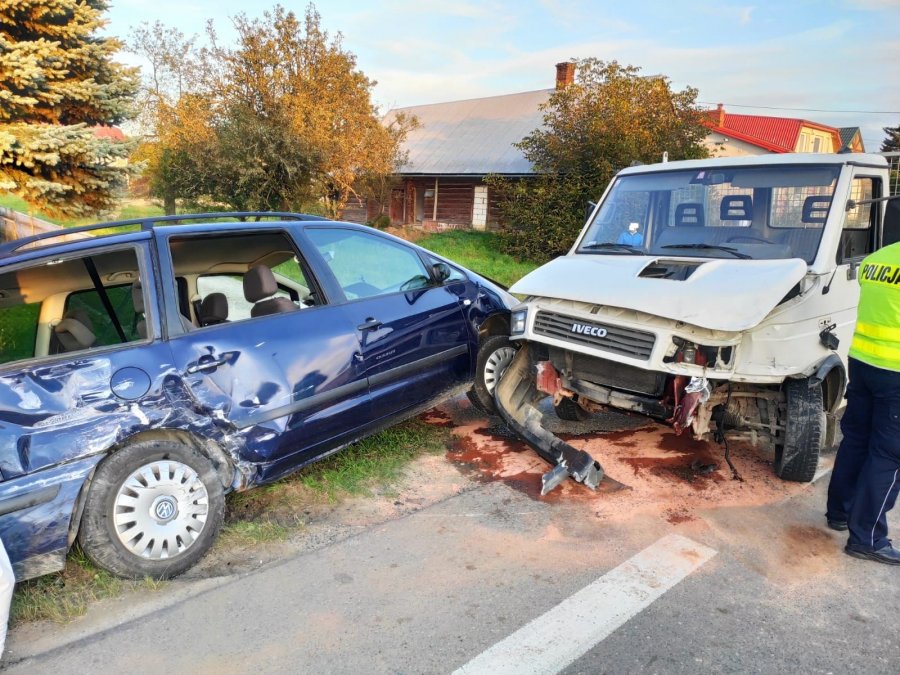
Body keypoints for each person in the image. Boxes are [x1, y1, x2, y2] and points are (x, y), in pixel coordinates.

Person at [826, 242, 900, 565]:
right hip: (895, 373)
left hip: (862, 363)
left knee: (856, 440)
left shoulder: (877, 259)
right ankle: (867, 537)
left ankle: (839, 512)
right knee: (888, 454)